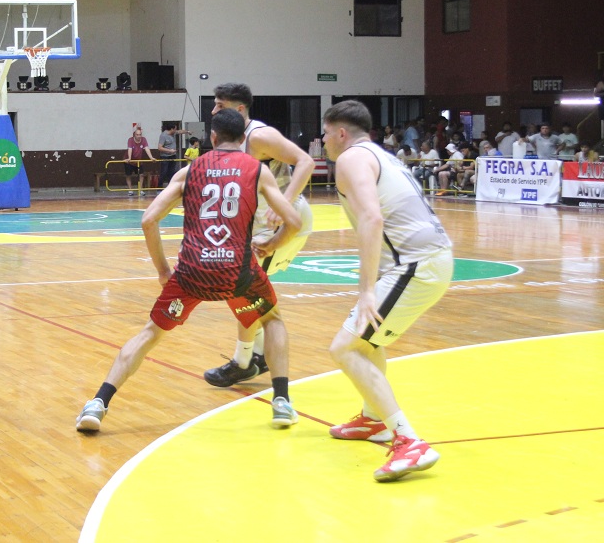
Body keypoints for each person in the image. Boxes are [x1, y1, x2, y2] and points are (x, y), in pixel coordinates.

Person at [76, 108, 303, 432]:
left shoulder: (190, 170)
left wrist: (163, 270)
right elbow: (293, 223)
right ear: (243, 139)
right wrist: (272, 244)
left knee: (149, 334)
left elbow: (148, 220)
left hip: (192, 272)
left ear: (212, 137)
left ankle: (98, 403)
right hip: (237, 272)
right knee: (272, 319)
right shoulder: (256, 170)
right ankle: (281, 402)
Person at [321, 100, 453, 482]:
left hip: (417, 263)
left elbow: (371, 217)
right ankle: (372, 418)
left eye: (326, 133)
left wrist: (366, 291)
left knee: (344, 348)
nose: (323, 140)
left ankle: (408, 440)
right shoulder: (380, 154)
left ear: (341, 133)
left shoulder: (350, 159)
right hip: (425, 260)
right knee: (368, 342)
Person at [203, 83, 315, 387]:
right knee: (248, 292)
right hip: (260, 223)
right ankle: (260, 355)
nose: (214, 111)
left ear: (240, 110)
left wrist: (285, 203)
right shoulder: (232, 138)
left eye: (220, 105)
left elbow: (306, 162)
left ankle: (244, 362)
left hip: (281, 221)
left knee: (246, 291)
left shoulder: (259, 135)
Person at [124, 124, 155, 196]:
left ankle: (140, 190)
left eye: (140, 134)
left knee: (141, 175)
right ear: (134, 135)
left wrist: (151, 157)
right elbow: (130, 149)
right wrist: (129, 158)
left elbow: (147, 148)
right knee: (128, 175)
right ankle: (130, 190)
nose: (139, 136)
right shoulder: (130, 140)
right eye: (137, 135)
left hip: (138, 161)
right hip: (129, 161)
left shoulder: (144, 140)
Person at [156, 123, 188, 187]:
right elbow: (160, 147)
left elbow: (179, 131)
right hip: (165, 156)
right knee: (164, 172)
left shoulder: (173, 133)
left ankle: (170, 186)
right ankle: (159, 187)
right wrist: (170, 151)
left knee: (172, 172)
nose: (176, 130)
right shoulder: (163, 136)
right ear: (171, 129)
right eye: (175, 129)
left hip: (173, 155)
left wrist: (187, 132)